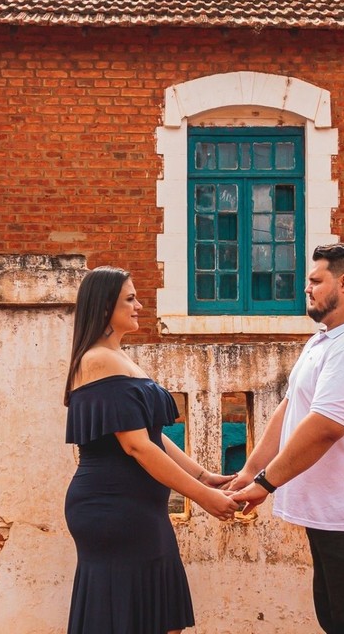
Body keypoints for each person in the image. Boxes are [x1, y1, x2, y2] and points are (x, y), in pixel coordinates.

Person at [228, 242, 344, 634]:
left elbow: (325, 427)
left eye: (315, 280)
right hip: (334, 515)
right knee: (337, 621)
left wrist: (265, 485)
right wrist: (250, 470)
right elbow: (290, 409)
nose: (306, 289)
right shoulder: (325, 340)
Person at [64, 266, 240, 634]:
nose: (139, 305)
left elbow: (152, 435)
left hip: (140, 510)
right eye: (129, 299)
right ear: (104, 306)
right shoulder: (98, 360)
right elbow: (137, 447)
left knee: (160, 617)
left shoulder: (119, 358)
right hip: (113, 508)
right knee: (129, 621)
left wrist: (204, 476)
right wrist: (204, 498)